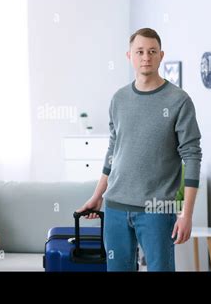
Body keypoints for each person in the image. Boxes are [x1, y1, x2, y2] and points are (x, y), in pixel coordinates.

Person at [77, 28, 202, 272]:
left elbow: (193, 156)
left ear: (161, 55)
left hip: (158, 209)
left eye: (152, 51)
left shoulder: (179, 100)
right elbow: (113, 151)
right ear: (129, 56)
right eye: (140, 51)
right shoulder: (119, 99)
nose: (146, 57)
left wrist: (186, 214)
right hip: (115, 207)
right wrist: (97, 196)